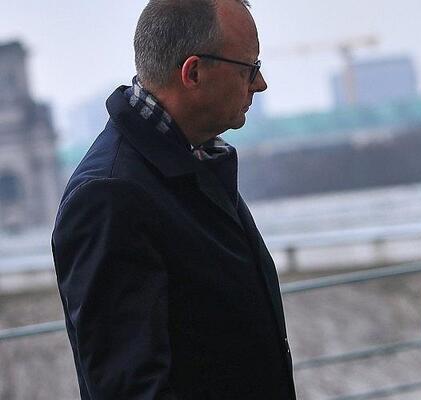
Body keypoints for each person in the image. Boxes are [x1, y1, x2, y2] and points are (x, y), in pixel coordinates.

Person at [51, 1, 297, 398]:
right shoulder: (110, 196)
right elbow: (132, 390)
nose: (260, 84)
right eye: (250, 68)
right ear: (193, 72)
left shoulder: (194, 161)